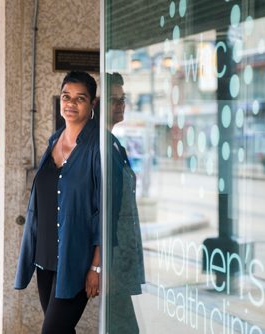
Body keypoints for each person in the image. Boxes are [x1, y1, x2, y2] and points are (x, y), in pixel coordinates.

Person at [14, 71, 101, 334]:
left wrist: (96, 266)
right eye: (66, 96)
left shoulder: (99, 147)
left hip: (76, 261)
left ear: (92, 104)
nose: (71, 103)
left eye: (80, 98)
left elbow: (104, 211)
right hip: (45, 259)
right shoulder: (54, 140)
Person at [105, 72, 145, 333]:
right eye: (113, 99)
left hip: (120, 258)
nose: (121, 105)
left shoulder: (114, 144)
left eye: (123, 99)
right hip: (111, 260)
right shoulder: (99, 146)